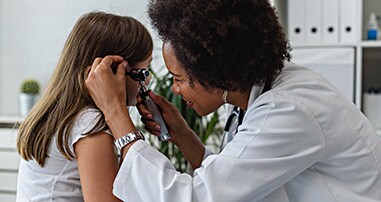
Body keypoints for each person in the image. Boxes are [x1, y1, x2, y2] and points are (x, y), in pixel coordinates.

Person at [85, 0, 381, 201]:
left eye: (180, 78)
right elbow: (238, 174)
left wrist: (116, 114)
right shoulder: (266, 90)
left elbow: (197, 196)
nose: (175, 90)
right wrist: (184, 135)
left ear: (215, 73)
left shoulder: (288, 109)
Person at [16, 11, 153, 201]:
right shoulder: (90, 123)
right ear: (111, 72)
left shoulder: (64, 114)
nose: (147, 81)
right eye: (143, 72)